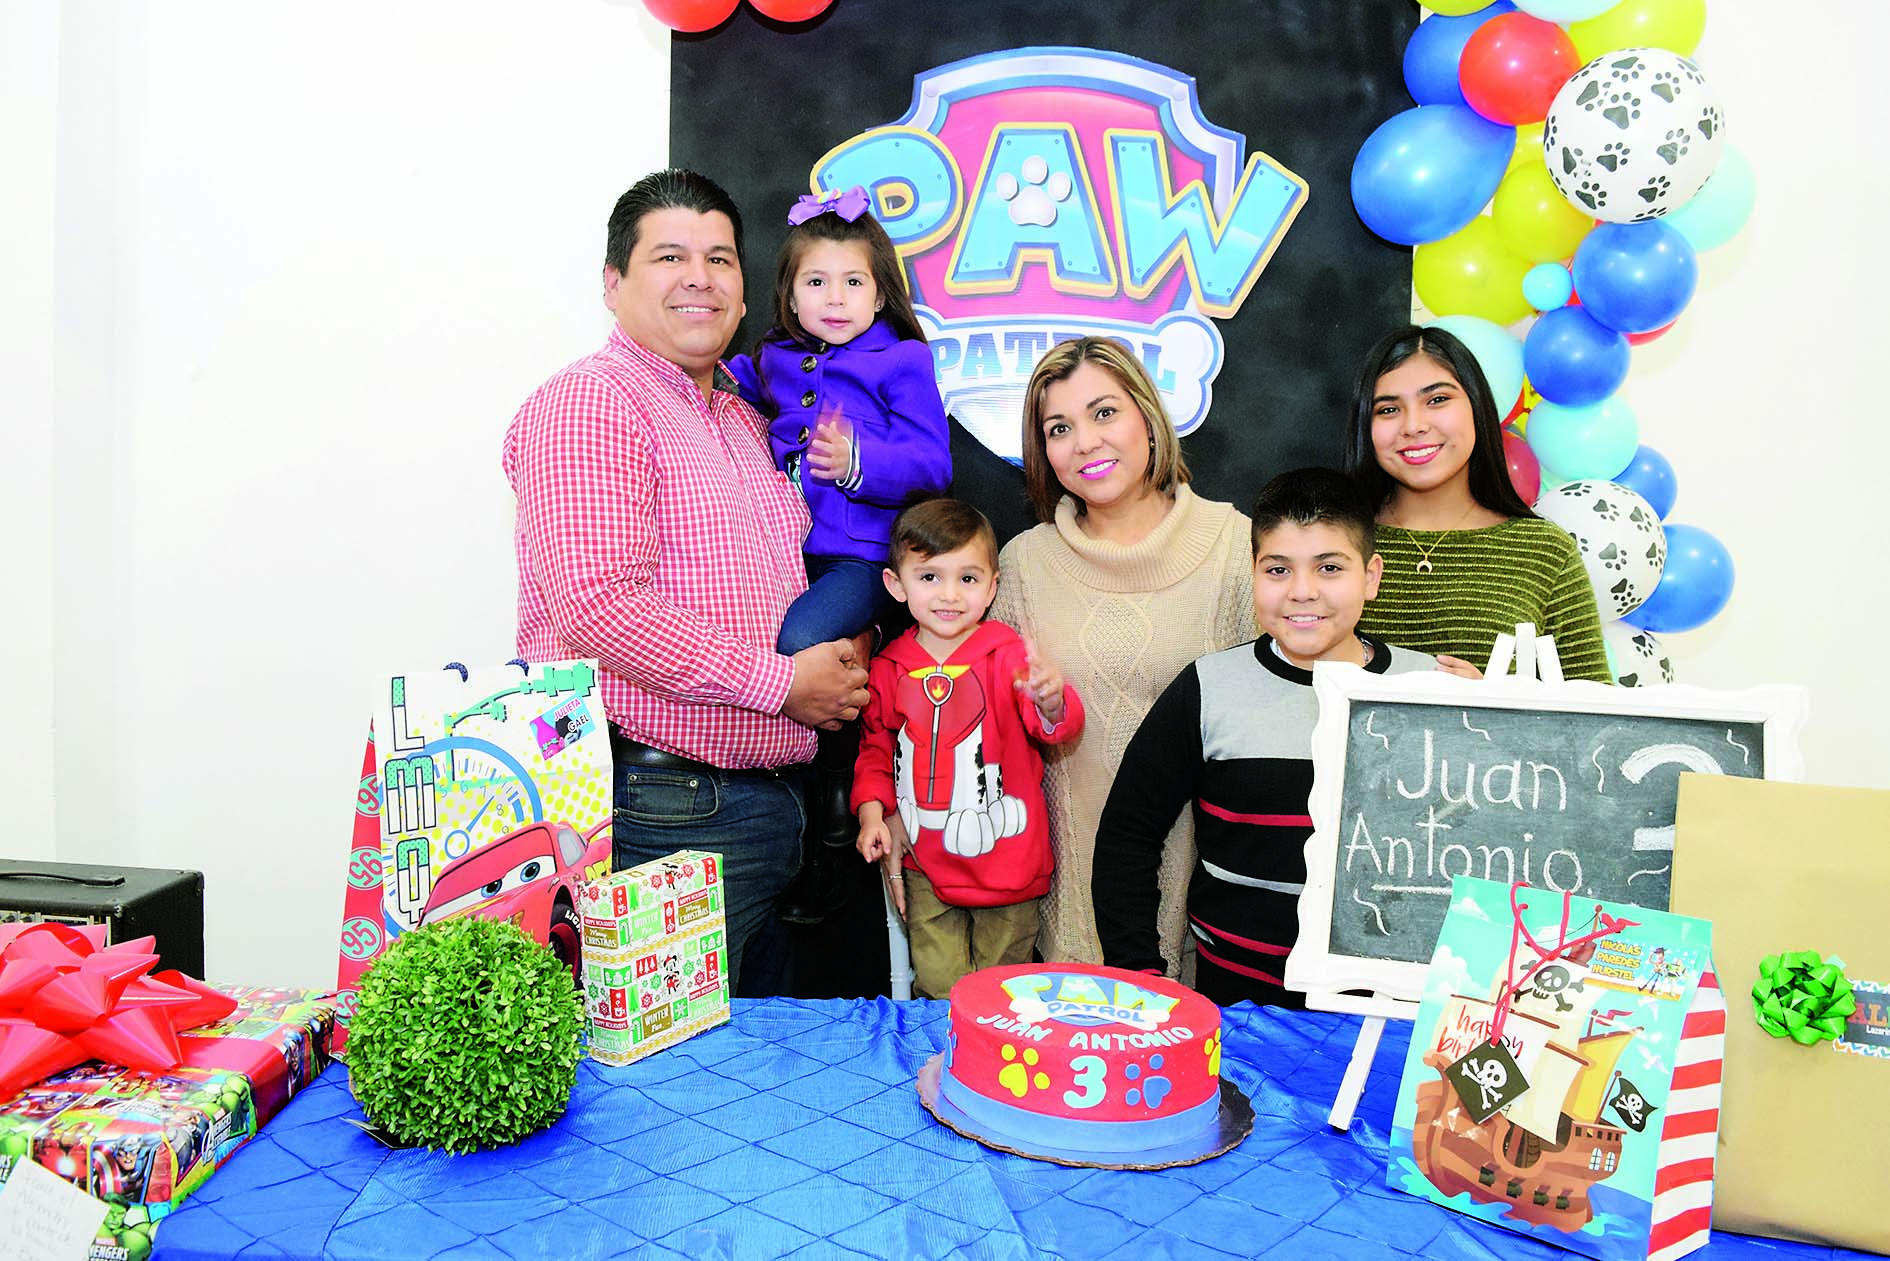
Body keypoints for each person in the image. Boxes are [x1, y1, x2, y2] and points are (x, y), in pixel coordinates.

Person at [503, 169, 868, 998]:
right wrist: (786, 685)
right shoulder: (592, 401)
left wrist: (842, 656)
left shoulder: (747, 421)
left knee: (751, 1099)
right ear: (612, 283)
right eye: (670, 256)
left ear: (744, 290)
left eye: (721, 258)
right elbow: (599, 605)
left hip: (775, 809)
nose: (700, 276)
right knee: (661, 1099)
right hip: (658, 808)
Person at [1092, 468, 1438, 1006]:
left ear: (1370, 576)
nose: (1303, 592)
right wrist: (1139, 972)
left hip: (1390, 1011)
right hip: (1234, 1003)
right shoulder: (1209, 686)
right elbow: (1127, 834)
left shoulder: (1430, 691)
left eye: (1329, 568)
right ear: (1253, 573)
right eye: (1278, 569)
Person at [993, 337, 1256, 979]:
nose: (1085, 442)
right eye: (1060, 427)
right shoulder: (1024, 565)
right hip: (1060, 909)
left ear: (1146, 416)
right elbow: (987, 728)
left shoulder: (1233, 545)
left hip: (1211, 909)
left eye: (1104, 413)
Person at [725, 187, 953, 925]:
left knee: (798, 648)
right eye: (815, 282)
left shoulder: (902, 359)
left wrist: (859, 460)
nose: (835, 297)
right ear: (789, 293)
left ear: (881, 289)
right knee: (764, 644)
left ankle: (833, 805)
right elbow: (744, 386)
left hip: (859, 563)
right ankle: (801, 816)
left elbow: (932, 464)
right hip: (787, 556)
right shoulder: (777, 358)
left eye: (853, 281)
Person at [853, 499, 1083, 998]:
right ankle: (948, 1068)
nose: (949, 595)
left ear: (992, 586)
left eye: (968, 579)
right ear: (897, 585)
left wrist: (1050, 700)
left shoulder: (1007, 655)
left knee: (1002, 996)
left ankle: (991, 1074)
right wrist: (873, 814)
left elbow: (1054, 729)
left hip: (1009, 866)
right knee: (938, 988)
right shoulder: (890, 668)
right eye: (930, 577)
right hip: (925, 867)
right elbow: (876, 750)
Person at [1343, 325, 1611, 683]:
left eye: (1437, 400)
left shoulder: (1544, 551)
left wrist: (1492, 709)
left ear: (1477, 406)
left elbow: (1599, 721)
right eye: (1388, 409)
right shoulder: (1332, 543)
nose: (1413, 425)